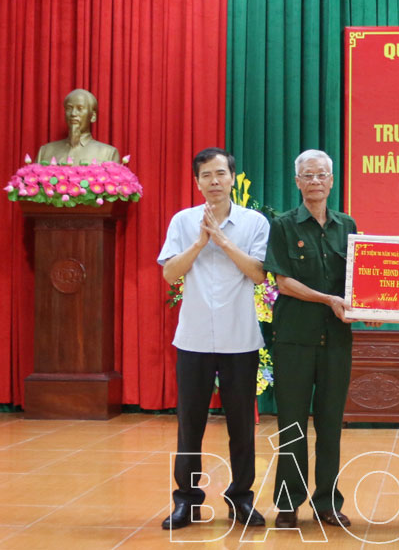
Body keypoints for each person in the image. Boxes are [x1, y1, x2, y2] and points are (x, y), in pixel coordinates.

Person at [157, 148, 270, 530]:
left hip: (240, 339)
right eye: (206, 175)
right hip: (193, 339)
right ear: (197, 182)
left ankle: (241, 499)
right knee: (190, 425)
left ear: (232, 178)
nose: (214, 181)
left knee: (241, 425)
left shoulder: (254, 222)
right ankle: (187, 502)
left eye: (221, 173)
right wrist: (198, 243)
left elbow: (259, 274)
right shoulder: (183, 221)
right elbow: (170, 273)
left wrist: (222, 241)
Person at [264, 149, 360, 529]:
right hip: (294, 340)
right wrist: (327, 299)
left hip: (336, 340)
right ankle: (288, 504)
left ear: (332, 181)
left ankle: (327, 503)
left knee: (331, 425)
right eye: (308, 175)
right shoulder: (283, 225)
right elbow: (283, 282)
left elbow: (359, 280)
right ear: (297, 182)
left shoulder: (347, 225)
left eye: (322, 175)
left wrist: (370, 306)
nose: (315, 181)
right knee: (292, 424)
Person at [36, 88, 121, 164]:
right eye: (69, 108)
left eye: (80, 109)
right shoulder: (45, 152)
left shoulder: (108, 154)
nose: (73, 113)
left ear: (93, 116)